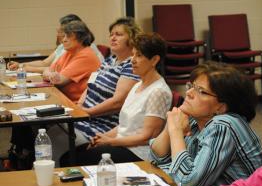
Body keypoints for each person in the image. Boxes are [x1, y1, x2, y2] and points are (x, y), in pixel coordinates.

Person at [150, 61, 262, 186]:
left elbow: (186, 181)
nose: (189, 93)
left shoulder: (224, 125)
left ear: (221, 107)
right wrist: (171, 125)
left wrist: (175, 131)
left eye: (201, 91)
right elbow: (157, 157)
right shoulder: (198, 120)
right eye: (192, 86)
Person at [61, 32, 172, 165]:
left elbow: (147, 137)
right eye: (133, 54)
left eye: (139, 55)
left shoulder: (158, 92)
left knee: (72, 160)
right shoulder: (137, 84)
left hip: (138, 153)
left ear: (154, 60)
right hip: (121, 144)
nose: (133, 60)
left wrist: (110, 141)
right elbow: (124, 126)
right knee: (69, 156)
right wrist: (102, 138)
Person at [49, 17, 141, 164]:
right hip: (86, 115)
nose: (113, 37)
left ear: (132, 38)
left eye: (119, 34)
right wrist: (78, 107)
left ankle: (59, 171)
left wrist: (85, 113)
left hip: (104, 124)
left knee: (60, 137)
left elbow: (118, 102)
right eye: (111, 34)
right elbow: (90, 85)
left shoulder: (131, 66)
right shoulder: (110, 60)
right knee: (53, 131)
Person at [7, 14, 103, 73]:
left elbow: (57, 72)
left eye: (64, 32)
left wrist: (25, 68)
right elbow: (45, 63)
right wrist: (20, 65)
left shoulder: (81, 48)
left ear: (76, 33)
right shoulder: (64, 46)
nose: (59, 35)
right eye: (61, 32)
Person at [42, 20, 100, 103]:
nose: (63, 40)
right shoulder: (69, 52)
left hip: (78, 104)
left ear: (81, 38)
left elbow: (59, 81)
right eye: (64, 36)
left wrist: (50, 76)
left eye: (68, 36)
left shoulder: (86, 55)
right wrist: (51, 75)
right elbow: (47, 70)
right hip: (64, 99)